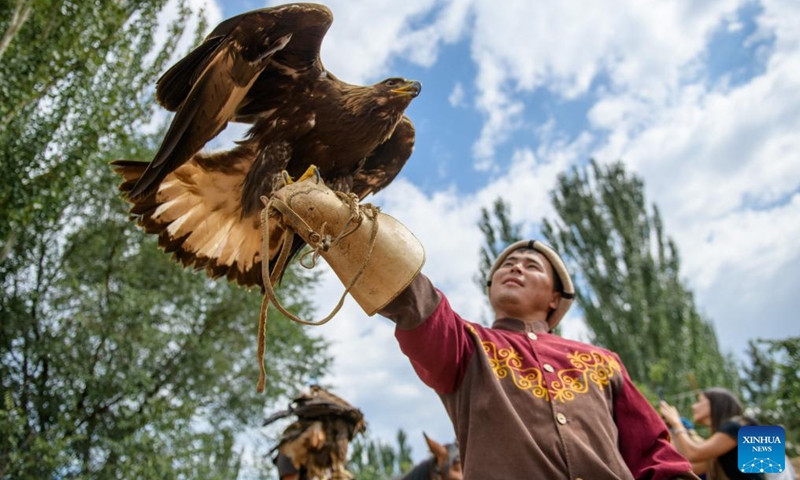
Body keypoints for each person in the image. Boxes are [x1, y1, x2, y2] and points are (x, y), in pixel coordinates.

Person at [270, 180, 698, 479]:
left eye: (532, 266)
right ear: (491, 286)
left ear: (555, 298)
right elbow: (416, 304)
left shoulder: (603, 363)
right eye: (505, 265)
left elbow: (655, 453)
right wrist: (347, 229)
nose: (515, 266)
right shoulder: (467, 347)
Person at [660, 388, 765, 480]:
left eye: (699, 401)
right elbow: (691, 467)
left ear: (714, 404)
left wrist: (677, 423)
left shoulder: (737, 426)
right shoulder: (722, 444)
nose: (694, 406)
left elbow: (693, 453)